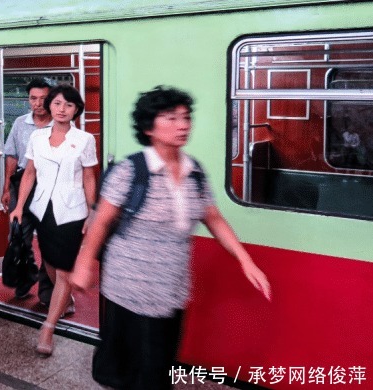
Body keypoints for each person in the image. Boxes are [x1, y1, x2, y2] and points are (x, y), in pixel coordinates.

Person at [70, 86, 271, 389]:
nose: (183, 124)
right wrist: (84, 263)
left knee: (159, 363)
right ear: (149, 126)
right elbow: (101, 221)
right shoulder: (131, 171)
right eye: (171, 117)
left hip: (172, 288)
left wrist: (246, 260)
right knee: (141, 371)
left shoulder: (195, 172)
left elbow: (213, 218)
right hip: (129, 288)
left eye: (186, 117)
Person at [9, 85, 98, 356]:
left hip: (71, 210)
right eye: (57, 103)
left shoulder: (84, 139)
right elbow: (29, 174)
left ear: (76, 110)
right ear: (50, 106)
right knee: (49, 261)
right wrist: (19, 207)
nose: (62, 109)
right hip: (40, 208)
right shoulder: (37, 136)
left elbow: (89, 177)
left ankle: (47, 328)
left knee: (63, 270)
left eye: (68, 105)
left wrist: (93, 210)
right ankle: (64, 296)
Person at [1, 78, 54, 303]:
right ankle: (25, 278)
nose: (38, 103)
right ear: (28, 100)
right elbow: (12, 155)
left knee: (48, 240)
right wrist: (6, 187)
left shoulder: (62, 124)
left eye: (43, 98)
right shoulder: (20, 124)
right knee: (19, 236)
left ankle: (48, 292)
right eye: (33, 98)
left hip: (50, 187)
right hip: (21, 183)